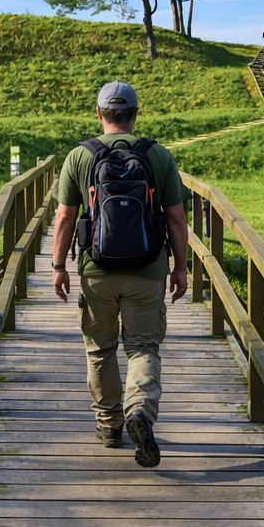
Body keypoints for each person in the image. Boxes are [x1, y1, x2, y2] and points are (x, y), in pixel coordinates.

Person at [50, 81, 189, 468]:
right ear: (135, 113)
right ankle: (140, 412)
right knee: (143, 347)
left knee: (100, 350)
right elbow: (176, 218)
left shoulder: (80, 156)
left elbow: (64, 218)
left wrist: (59, 266)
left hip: (97, 269)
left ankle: (110, 426)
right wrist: (180, 268)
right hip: (147, 271)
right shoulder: (157, 155)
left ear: (99, 114)